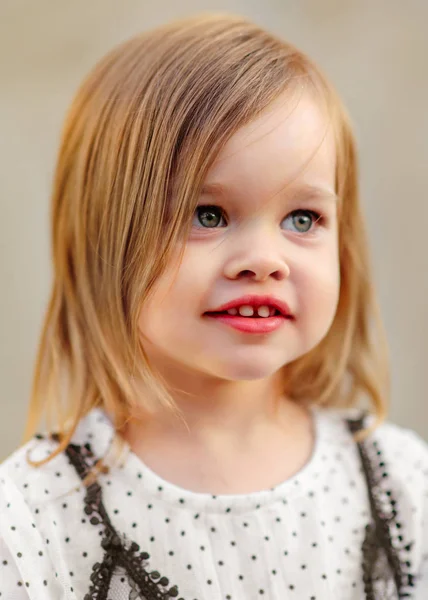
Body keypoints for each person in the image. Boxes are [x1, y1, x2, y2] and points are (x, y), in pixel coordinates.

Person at [0, 12, 427, 600]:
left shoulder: (401, 486)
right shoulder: (34, 519)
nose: (263, 259)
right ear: (107, 239)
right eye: (208, 215)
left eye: (302, 219)